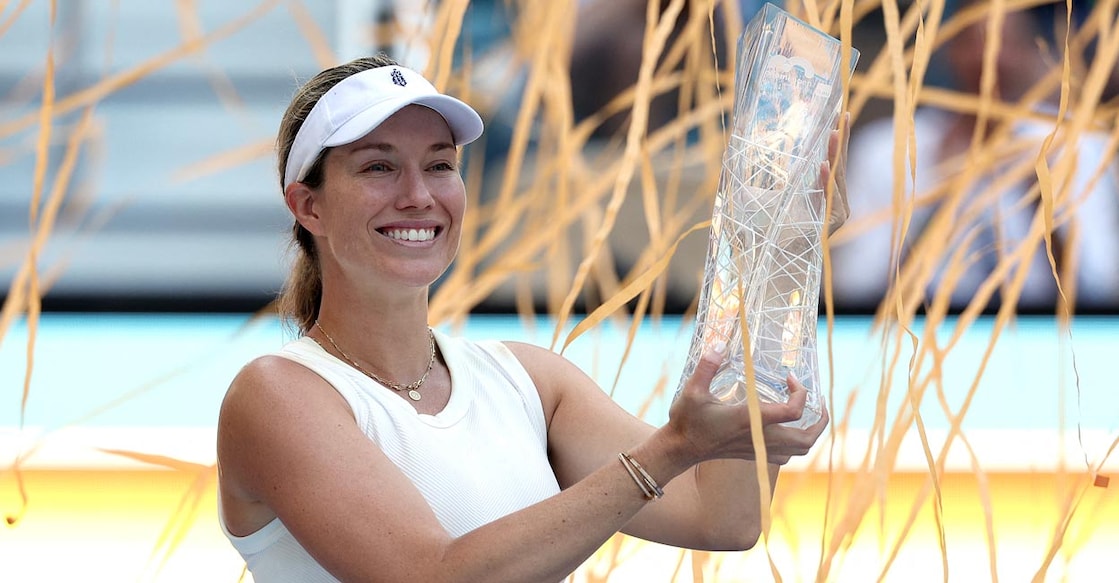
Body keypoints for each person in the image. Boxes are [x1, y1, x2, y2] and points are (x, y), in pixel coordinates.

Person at [216, 53, 846, 582]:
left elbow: (723, 517)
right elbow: (431, 576)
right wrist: (672, 450)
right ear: (308, 207)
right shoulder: (275, 395)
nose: (418, 194)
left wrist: (779, 261)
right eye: (379, 166)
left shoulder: (528, 381)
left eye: (439, 165)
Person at [831, 0, 1119, 313]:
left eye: (1009, 41)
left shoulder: (1076, 146)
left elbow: (1099, 294)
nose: (991, 56)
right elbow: (854, 294)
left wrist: (1039, 194)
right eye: (974, 41)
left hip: (1041, 335)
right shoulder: (885, 150)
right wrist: (942, 191)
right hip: (922, 331)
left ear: (1032, 53)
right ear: (948, 51)